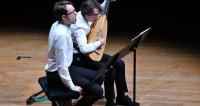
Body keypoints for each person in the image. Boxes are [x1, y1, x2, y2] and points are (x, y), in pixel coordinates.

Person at [70, 0, 134, 106]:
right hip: (79, 58)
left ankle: (121, 97)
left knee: (120, 63)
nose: (98, 17)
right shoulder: (79, 27)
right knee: (109, 68)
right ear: (86, 14)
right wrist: (98, 43)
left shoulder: (88, 14)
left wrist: (106, 1)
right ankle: (110, 101)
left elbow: (98, 10)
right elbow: (84, 49)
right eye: (96, 15)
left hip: (89, 53)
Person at [45, 1, 104, 106]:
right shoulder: (61, 35)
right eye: (72, 12)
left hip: (66, 68)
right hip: (56, 74)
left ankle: (84, 92)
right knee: (98, 91)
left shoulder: (59, 24)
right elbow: (61, 67)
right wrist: (72, 86)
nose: (76, 13)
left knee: (99, 77)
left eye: (75, 10)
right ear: (64, 17)